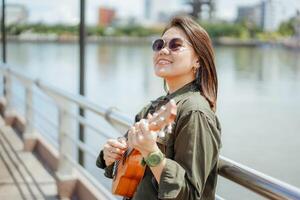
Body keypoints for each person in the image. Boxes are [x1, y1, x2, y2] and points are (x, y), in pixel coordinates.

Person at [96, 15, 222, 200]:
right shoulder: (151, 109)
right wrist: (110, 155)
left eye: (175, 45)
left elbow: (190, 194)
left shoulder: (195, 112)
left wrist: (151, 152)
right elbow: (124, 162)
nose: (163, 50)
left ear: (198, 60)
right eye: (159, 45)